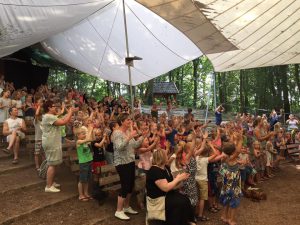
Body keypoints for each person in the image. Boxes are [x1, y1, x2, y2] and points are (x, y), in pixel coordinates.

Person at [146, 148, 196, 225]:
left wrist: (180, 179)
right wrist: (178, 179)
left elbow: (171, 183)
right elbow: (165, 188)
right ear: (162, 157)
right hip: (159, 198)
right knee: (179, 203)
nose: (168, 157)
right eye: (166, 155)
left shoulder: (165, 168)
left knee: (185, 199)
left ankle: (185, 221)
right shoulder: (154, 170)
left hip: (167, 194)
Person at [111, 113, 144, 220]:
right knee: (125, 186)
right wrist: (129, 137)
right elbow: (119, 147)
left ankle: (126, 207)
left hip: (130, 161)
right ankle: (118, 211)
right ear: (121, 122)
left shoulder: (128, 131)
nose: (130, 122)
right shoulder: (117, 133)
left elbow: (135, 145)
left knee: (130, 185)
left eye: (130, 120)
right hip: (121, 163)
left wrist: (143, 136)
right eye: (127, 120)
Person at [41, 100, 74, 193]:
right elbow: (63, 121)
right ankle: (48, 186)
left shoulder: (50, 116)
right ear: (49, 108)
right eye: (53, 106)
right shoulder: (48, 116)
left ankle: (51, 182)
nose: (56, 107)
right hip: (51, 143)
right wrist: (71, 111)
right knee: (52, 164)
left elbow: (60, 117)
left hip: (52, 142)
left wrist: (65, 111)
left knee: (54, 163)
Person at [76, 124, 94, 201]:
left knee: (87, 179)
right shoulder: (78, 141)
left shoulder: (85, 141)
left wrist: (91, 131)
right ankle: (81, 195)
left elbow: (92, 139)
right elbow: (88, 140)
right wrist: (90, 130)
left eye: (85, 133)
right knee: (82, 180)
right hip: (83, 163)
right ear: (78, 135)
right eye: (83, 134)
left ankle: (86, 193)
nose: (84, 135)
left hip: (89, 161)